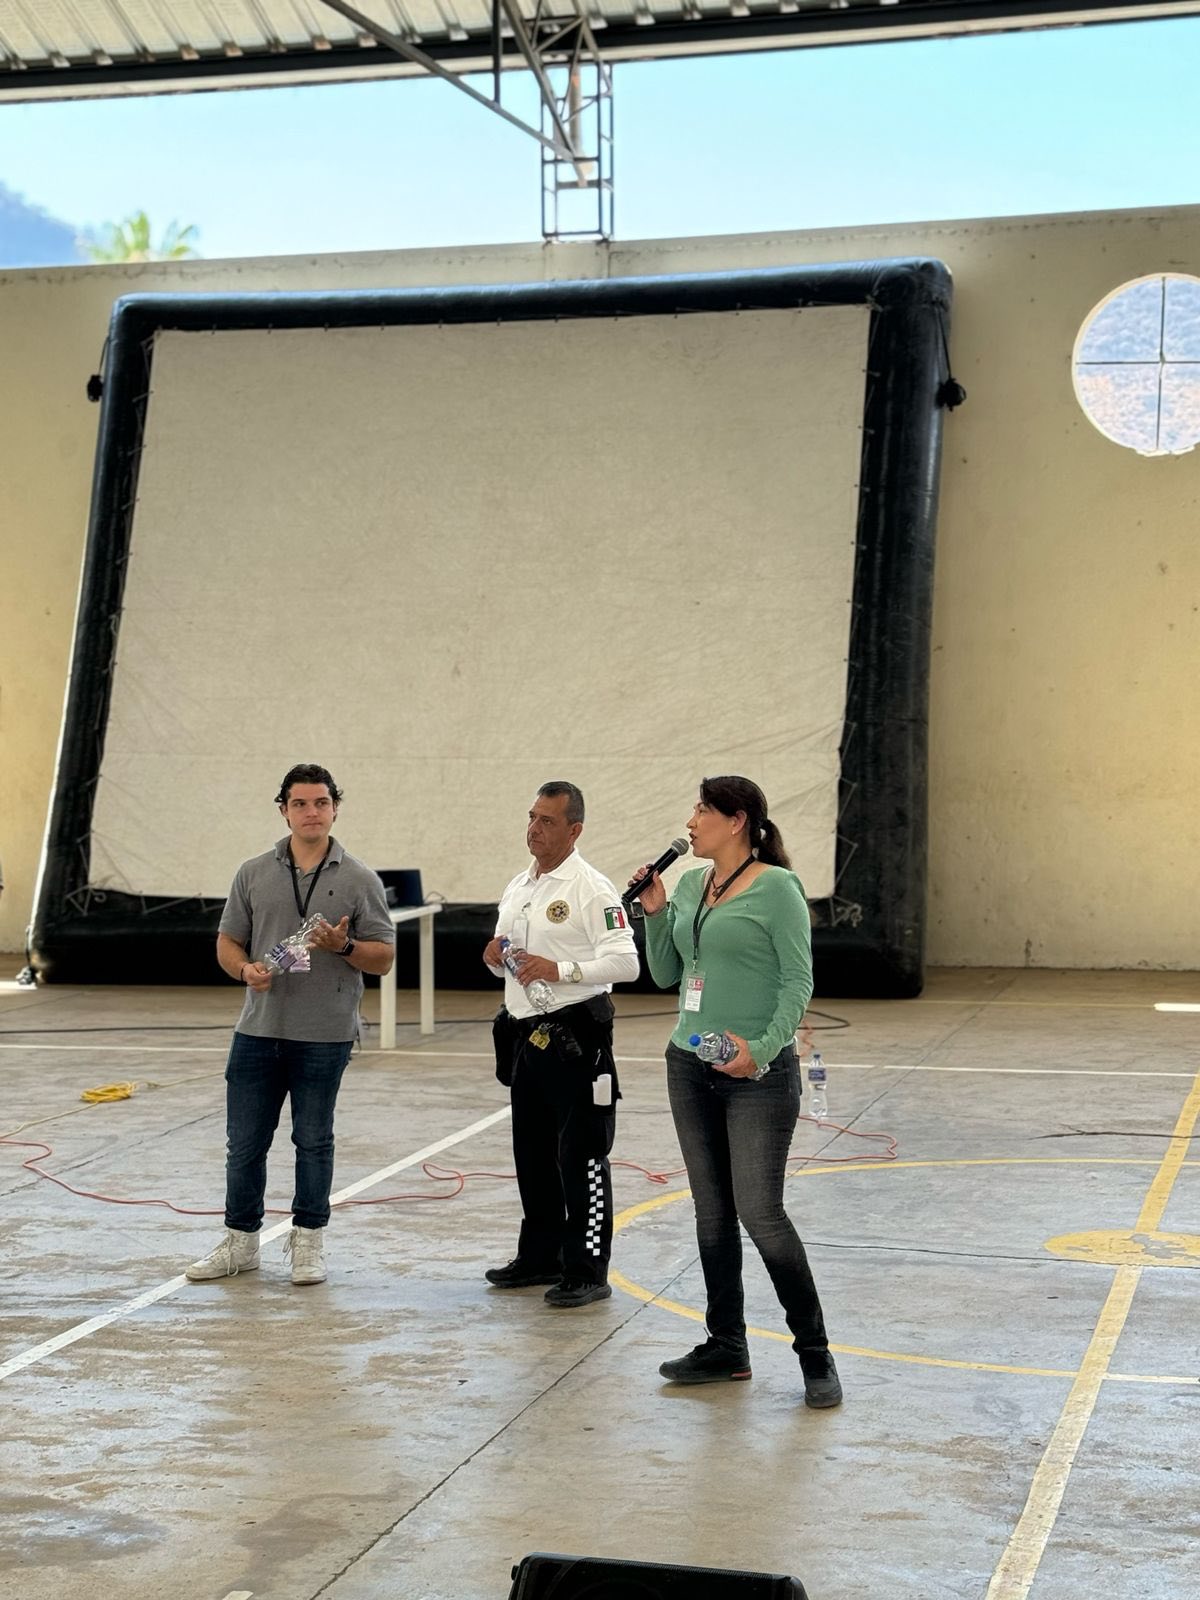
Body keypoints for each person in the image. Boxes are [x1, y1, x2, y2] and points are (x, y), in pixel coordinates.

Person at [635, 775, 842, 1408]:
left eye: (702, 809)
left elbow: (798, 981)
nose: (690, 821)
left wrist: (764, 1048)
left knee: (761, 1213)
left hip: (756, 1075)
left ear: (737, 821)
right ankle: (726, 1346)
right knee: (712, 1212)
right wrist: (655, 913)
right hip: (688, 1061)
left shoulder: (777, 888)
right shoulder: (691, 886)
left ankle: (815, 1354)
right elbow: (668, 975)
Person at [186, 763, 394, 1287]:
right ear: (284, 810)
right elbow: (228, 940)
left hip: (324, 1034)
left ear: (335, 809)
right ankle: (240, 1243)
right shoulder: (253, 872)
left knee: (313, 1141)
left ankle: (308, 1243)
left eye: (321, 802)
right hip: (258, 1031)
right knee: (244, 1144)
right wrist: (244, 969)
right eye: (300, 803)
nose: (311, 812)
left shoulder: (359, 879)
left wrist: (343, 946)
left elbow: (384, 957)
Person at [483, 781, 639, 1308]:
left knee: (583, 1155)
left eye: (547, 821)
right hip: (527, 1035)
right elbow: (509, 955)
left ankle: (588, 1269)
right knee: (532, 1152)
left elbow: (626, 963)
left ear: (574, 830)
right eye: (531, 817)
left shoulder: (592, 889)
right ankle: (540, 1255)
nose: (534, 829)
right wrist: (495, 954)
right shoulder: (519, 885)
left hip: (578, 1037)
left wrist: (561, 969)